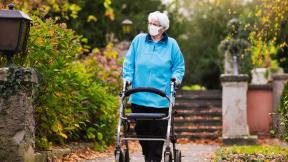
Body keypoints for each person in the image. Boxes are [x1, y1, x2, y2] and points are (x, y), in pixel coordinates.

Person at [122, 11, 185, 162]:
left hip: (161, 99)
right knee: (142, 131)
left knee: (157, 135)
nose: (151, 26)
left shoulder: (172, 45)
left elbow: (179, 66)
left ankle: (154, 159)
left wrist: (176, 78)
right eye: (149, 23)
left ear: (163, 28)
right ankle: (148, 156)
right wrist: (128, 77)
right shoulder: (138, 41)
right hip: (139, 97)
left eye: (155, 24)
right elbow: (129, 63)